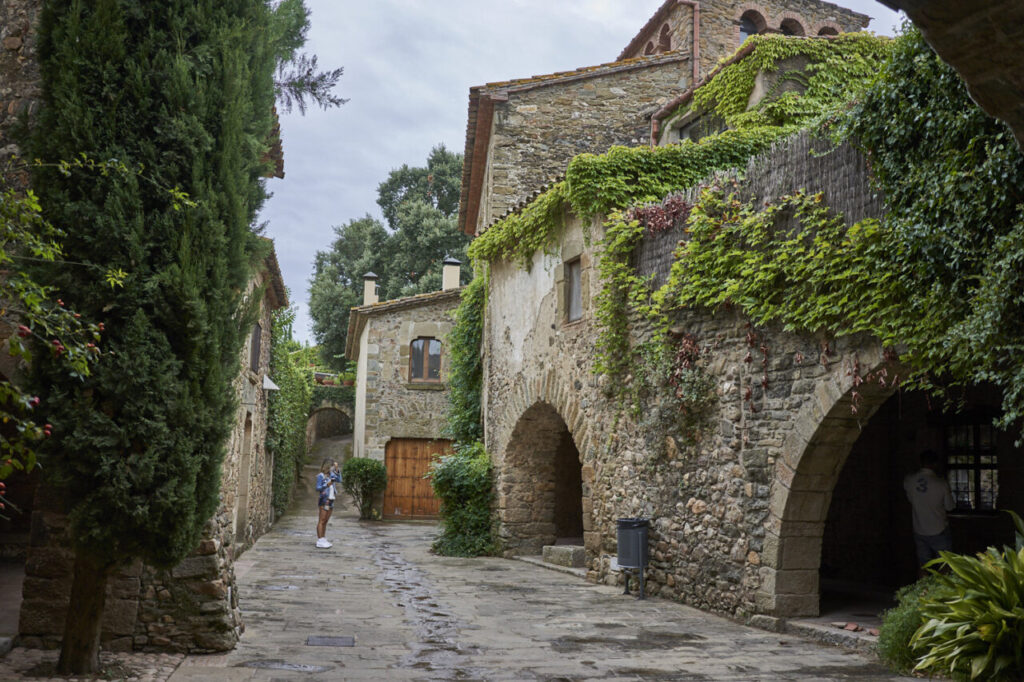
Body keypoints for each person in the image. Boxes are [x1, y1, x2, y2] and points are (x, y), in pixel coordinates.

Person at [903, 449, 954, 574]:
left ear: (920, 462)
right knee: (945, 565)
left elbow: (910, 499)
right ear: (935, 464)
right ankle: (944, 592)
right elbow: (950, 507)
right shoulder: (941, 484)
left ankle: (923, 592)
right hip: (939, 530)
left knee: (923, 566)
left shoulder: (909, 480)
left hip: (919, 529)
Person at [315, 458, 341, 548]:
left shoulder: (332, 475)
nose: (333, 468)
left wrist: (337, 470)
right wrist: (327, 484)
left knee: (326, 521)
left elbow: (339, 480)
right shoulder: (320, 476)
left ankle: (323, 538)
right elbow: (318, 488)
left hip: (331, 500)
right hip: (324, 500)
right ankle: (320, 540)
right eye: (332, 467)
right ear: (327, 467)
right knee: (321, 520)